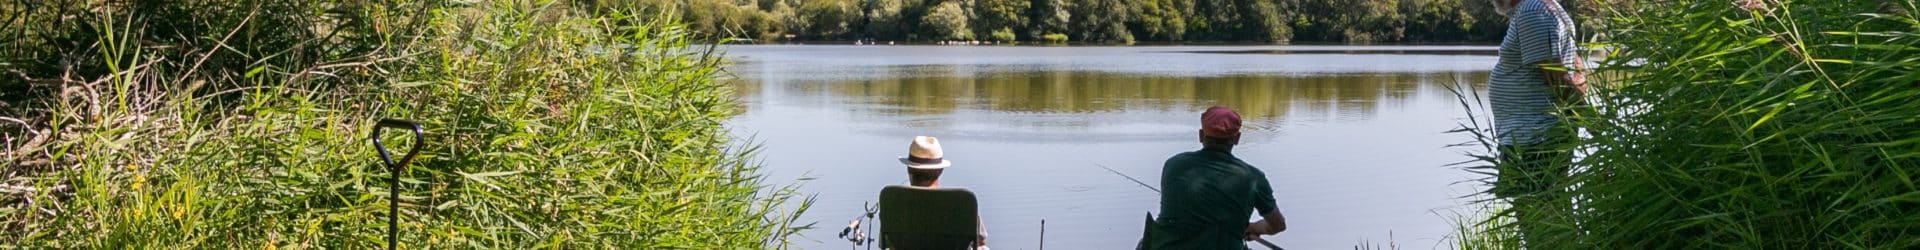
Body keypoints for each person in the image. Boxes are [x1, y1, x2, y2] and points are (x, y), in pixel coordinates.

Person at [1487, 0, 1585, 246]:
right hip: (1536, 134)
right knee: (1551, 215)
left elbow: (1556, 74)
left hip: (1534, 138)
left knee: (1538, 221)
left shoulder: (1532, 10)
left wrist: (1589, 118)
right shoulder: (1547, 6)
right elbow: (1576, 66)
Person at [1144, 106, 1287, 249]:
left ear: (1201, 136)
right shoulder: (1253, 179)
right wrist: (1255, 228)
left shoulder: (1173, 165)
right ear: (1237, 138)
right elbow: (1278, 225)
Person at [891, 136, 989, 248]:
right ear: (940, 171)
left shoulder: (893, 201)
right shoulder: (962, 202)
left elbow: (890, 244)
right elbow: (980, 242)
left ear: (908, 170)